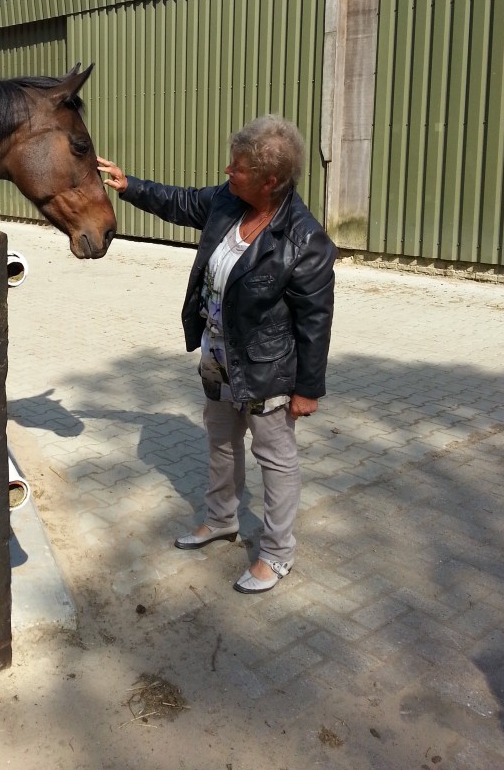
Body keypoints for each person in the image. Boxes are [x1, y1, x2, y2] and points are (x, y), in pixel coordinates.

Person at [97, 115, 337, 594]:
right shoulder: (229, 200)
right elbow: (183, 201)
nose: (228, 171)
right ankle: (222, 519)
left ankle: (277, 553)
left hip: (266, 368)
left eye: (238, 167)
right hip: (218, 356)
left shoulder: (305, 240)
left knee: (275, 458)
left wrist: (308, 389)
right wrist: (130, 186)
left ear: (269, 181)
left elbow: (315, 321)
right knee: (221, 441)